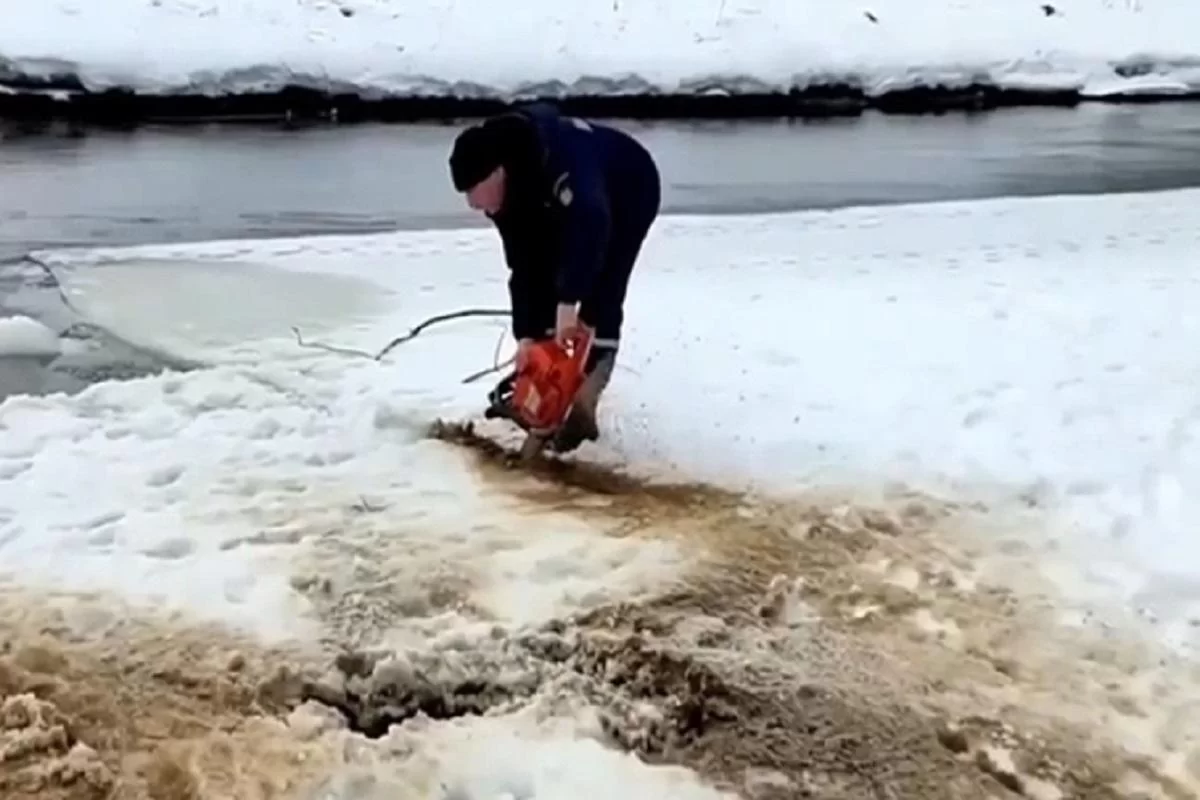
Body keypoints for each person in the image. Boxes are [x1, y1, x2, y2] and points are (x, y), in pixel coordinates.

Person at [448, 102, 662, 453]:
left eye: (477, 196)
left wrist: (569, 300)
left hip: (629, 188)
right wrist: (527, 336)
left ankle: (586, 398)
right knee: (546, 285)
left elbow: (592, 222)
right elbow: (524, 265)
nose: (478, 208)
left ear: (496, 172)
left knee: (599, 293)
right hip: (571, 204)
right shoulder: (505, 196)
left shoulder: (559, 159)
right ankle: (548, 396)